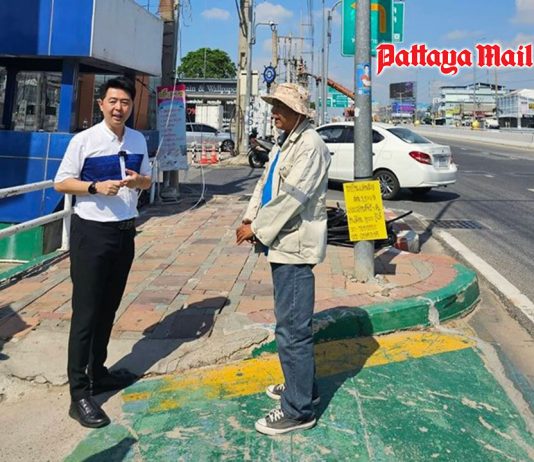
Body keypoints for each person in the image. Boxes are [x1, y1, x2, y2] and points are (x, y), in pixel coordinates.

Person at [54, 76, 152, 428]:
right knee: (86, 313)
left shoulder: (137, 139)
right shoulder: (85, 140)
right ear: (101, 104)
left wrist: (139, 182)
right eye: (113, 101)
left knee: (109, 307)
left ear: (131, 106)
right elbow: (62, 182)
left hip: (125, 233)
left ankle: (98, 371)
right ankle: (79, 394)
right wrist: (95, 186)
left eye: (125, 102)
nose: (118, 108)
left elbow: (147, 179)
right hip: (92, 234)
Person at [236, 83, 331, 435]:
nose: (274, 112)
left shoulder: (311, 146)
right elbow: (266, 183)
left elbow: (291, 198)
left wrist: (257, 229)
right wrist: (250, 216)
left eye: (280, 107)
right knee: (290, 326)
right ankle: (302, 389)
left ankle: (298, 409)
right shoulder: (286, 141)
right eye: (274, 105)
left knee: (292, 331)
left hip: (295, 247)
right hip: (282, 244)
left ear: (298, 112)